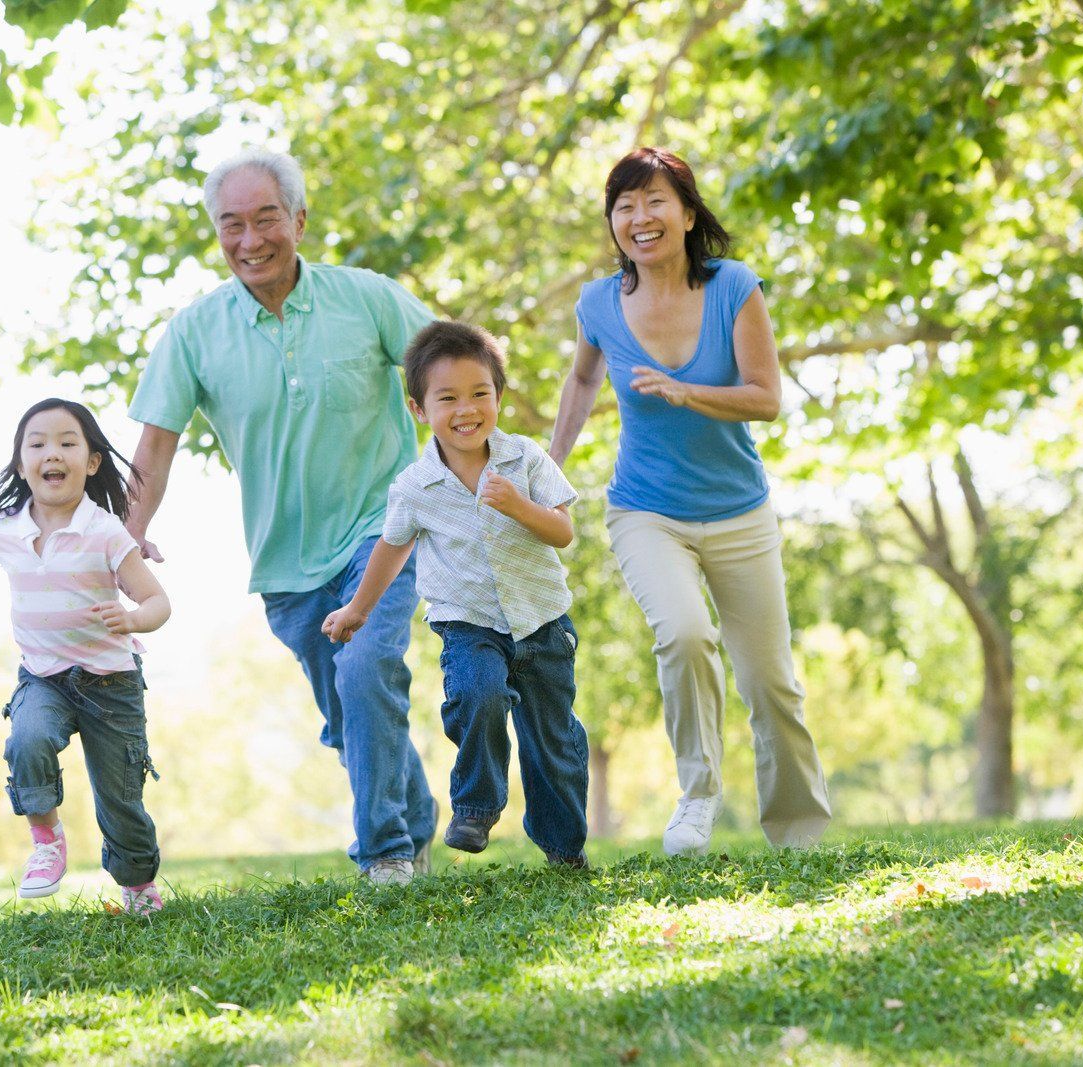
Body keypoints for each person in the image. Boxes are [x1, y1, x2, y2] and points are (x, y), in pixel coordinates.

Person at [124, 147, 437, 885]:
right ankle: (416, 816)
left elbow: (455, 365)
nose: (250, 240)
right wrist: (124, 539)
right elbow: (154, 447)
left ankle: (386, 854)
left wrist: (478, 471)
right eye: (231, 225)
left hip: (382, 529)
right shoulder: (194, 333)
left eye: (266, 219)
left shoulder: (367, 298)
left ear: (298, 219)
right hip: (286, 561)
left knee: (366, 669)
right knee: (349, 713)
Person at [549, 147, 832, 856]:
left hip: (739, 511)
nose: (639, 218)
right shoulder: (598, 304)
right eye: (624, 206)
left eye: (654, 201)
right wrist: (551, 463)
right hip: (647, 509)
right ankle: (698, 795)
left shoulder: (734, 287)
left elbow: (765, 399)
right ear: (613, 222)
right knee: (682, 632)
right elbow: (583, 381)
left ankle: (797, 831)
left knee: (770, 682)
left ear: (686, 211)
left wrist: (688, 391)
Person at [323, 322, 590, 868]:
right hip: (468, 622)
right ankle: (474, 806)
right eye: (447, 398)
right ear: (420, 409)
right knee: (477, 693)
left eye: (479, 394)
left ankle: (564, 850)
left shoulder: (527, 460)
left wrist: (519, 506)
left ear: (497, 396)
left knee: (553, 744)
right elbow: (392, 550)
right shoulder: (413, 487)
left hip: (541, 620)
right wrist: (357, 609)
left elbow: (563, 532)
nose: (466, 409)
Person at [0, 398, 172, 913]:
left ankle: (138, 886)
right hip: (43, 678)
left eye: (66, 442)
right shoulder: (4, 530)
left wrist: (133, 618)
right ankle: (46, 841)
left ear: (92, 461)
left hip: (111, 684)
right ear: (20, 463)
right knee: (27, 739)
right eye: (36, 444)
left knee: (121, 800)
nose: (50, 453)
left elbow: (157, 602)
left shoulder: (104, 530)